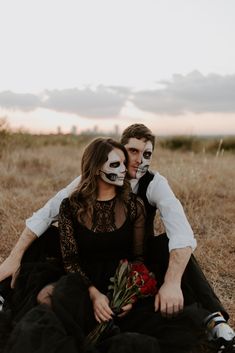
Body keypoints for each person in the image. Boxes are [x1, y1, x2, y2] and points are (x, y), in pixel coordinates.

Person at [0, 125, 234, 352]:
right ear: (119, 150)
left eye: (147, 154)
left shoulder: (154, 184)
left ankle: (216, 322)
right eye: (132, 151)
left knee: (170, 246)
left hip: (131, 257)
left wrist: (171, 283)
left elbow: (181, 233)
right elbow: (44, 214)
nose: (139, 160)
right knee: (42, 237)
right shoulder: (86, 181)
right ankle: (3, 293)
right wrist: (13, 257)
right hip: (86, 257)